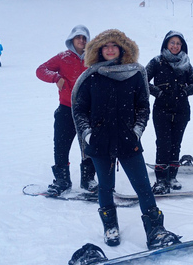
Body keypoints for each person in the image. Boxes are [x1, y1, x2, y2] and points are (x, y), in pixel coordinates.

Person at [72, 29, 181, 249]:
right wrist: (88, 133)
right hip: (99, 141)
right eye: (106, 46)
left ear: (122, 49)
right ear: (99, 50)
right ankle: (110, 226)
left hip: (127, 139)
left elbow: (143, 107)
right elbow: (79, 109)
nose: (110, 49)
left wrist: (137, 130)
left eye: (115, 45)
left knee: (143, 186)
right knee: (105, 186)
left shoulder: (135, 73)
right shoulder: (90, 77)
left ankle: (155, 230)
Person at [36, 25, 98, 196]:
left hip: (88, 111)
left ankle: (88, 180)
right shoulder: (62, 57)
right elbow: (40, 70)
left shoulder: (93, 58)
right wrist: (56, 77)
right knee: (61, 146)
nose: (81, 40)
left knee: (89, 145)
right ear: (72, 39)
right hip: (66, 109)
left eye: (84, 38)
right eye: (78, 37)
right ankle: (62, 180)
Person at [146, 30, 193, 194]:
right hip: (162, 110)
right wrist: (158, 92)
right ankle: (161, 179)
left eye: (178, 43)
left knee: (176, 144)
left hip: (182, 110)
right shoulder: (157, 61)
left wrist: (185, 91)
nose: (175, 46)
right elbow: (142, 80)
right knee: (163, 144)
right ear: (166, 44)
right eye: (172, 43)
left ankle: (172, 176)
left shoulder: (186, 63)